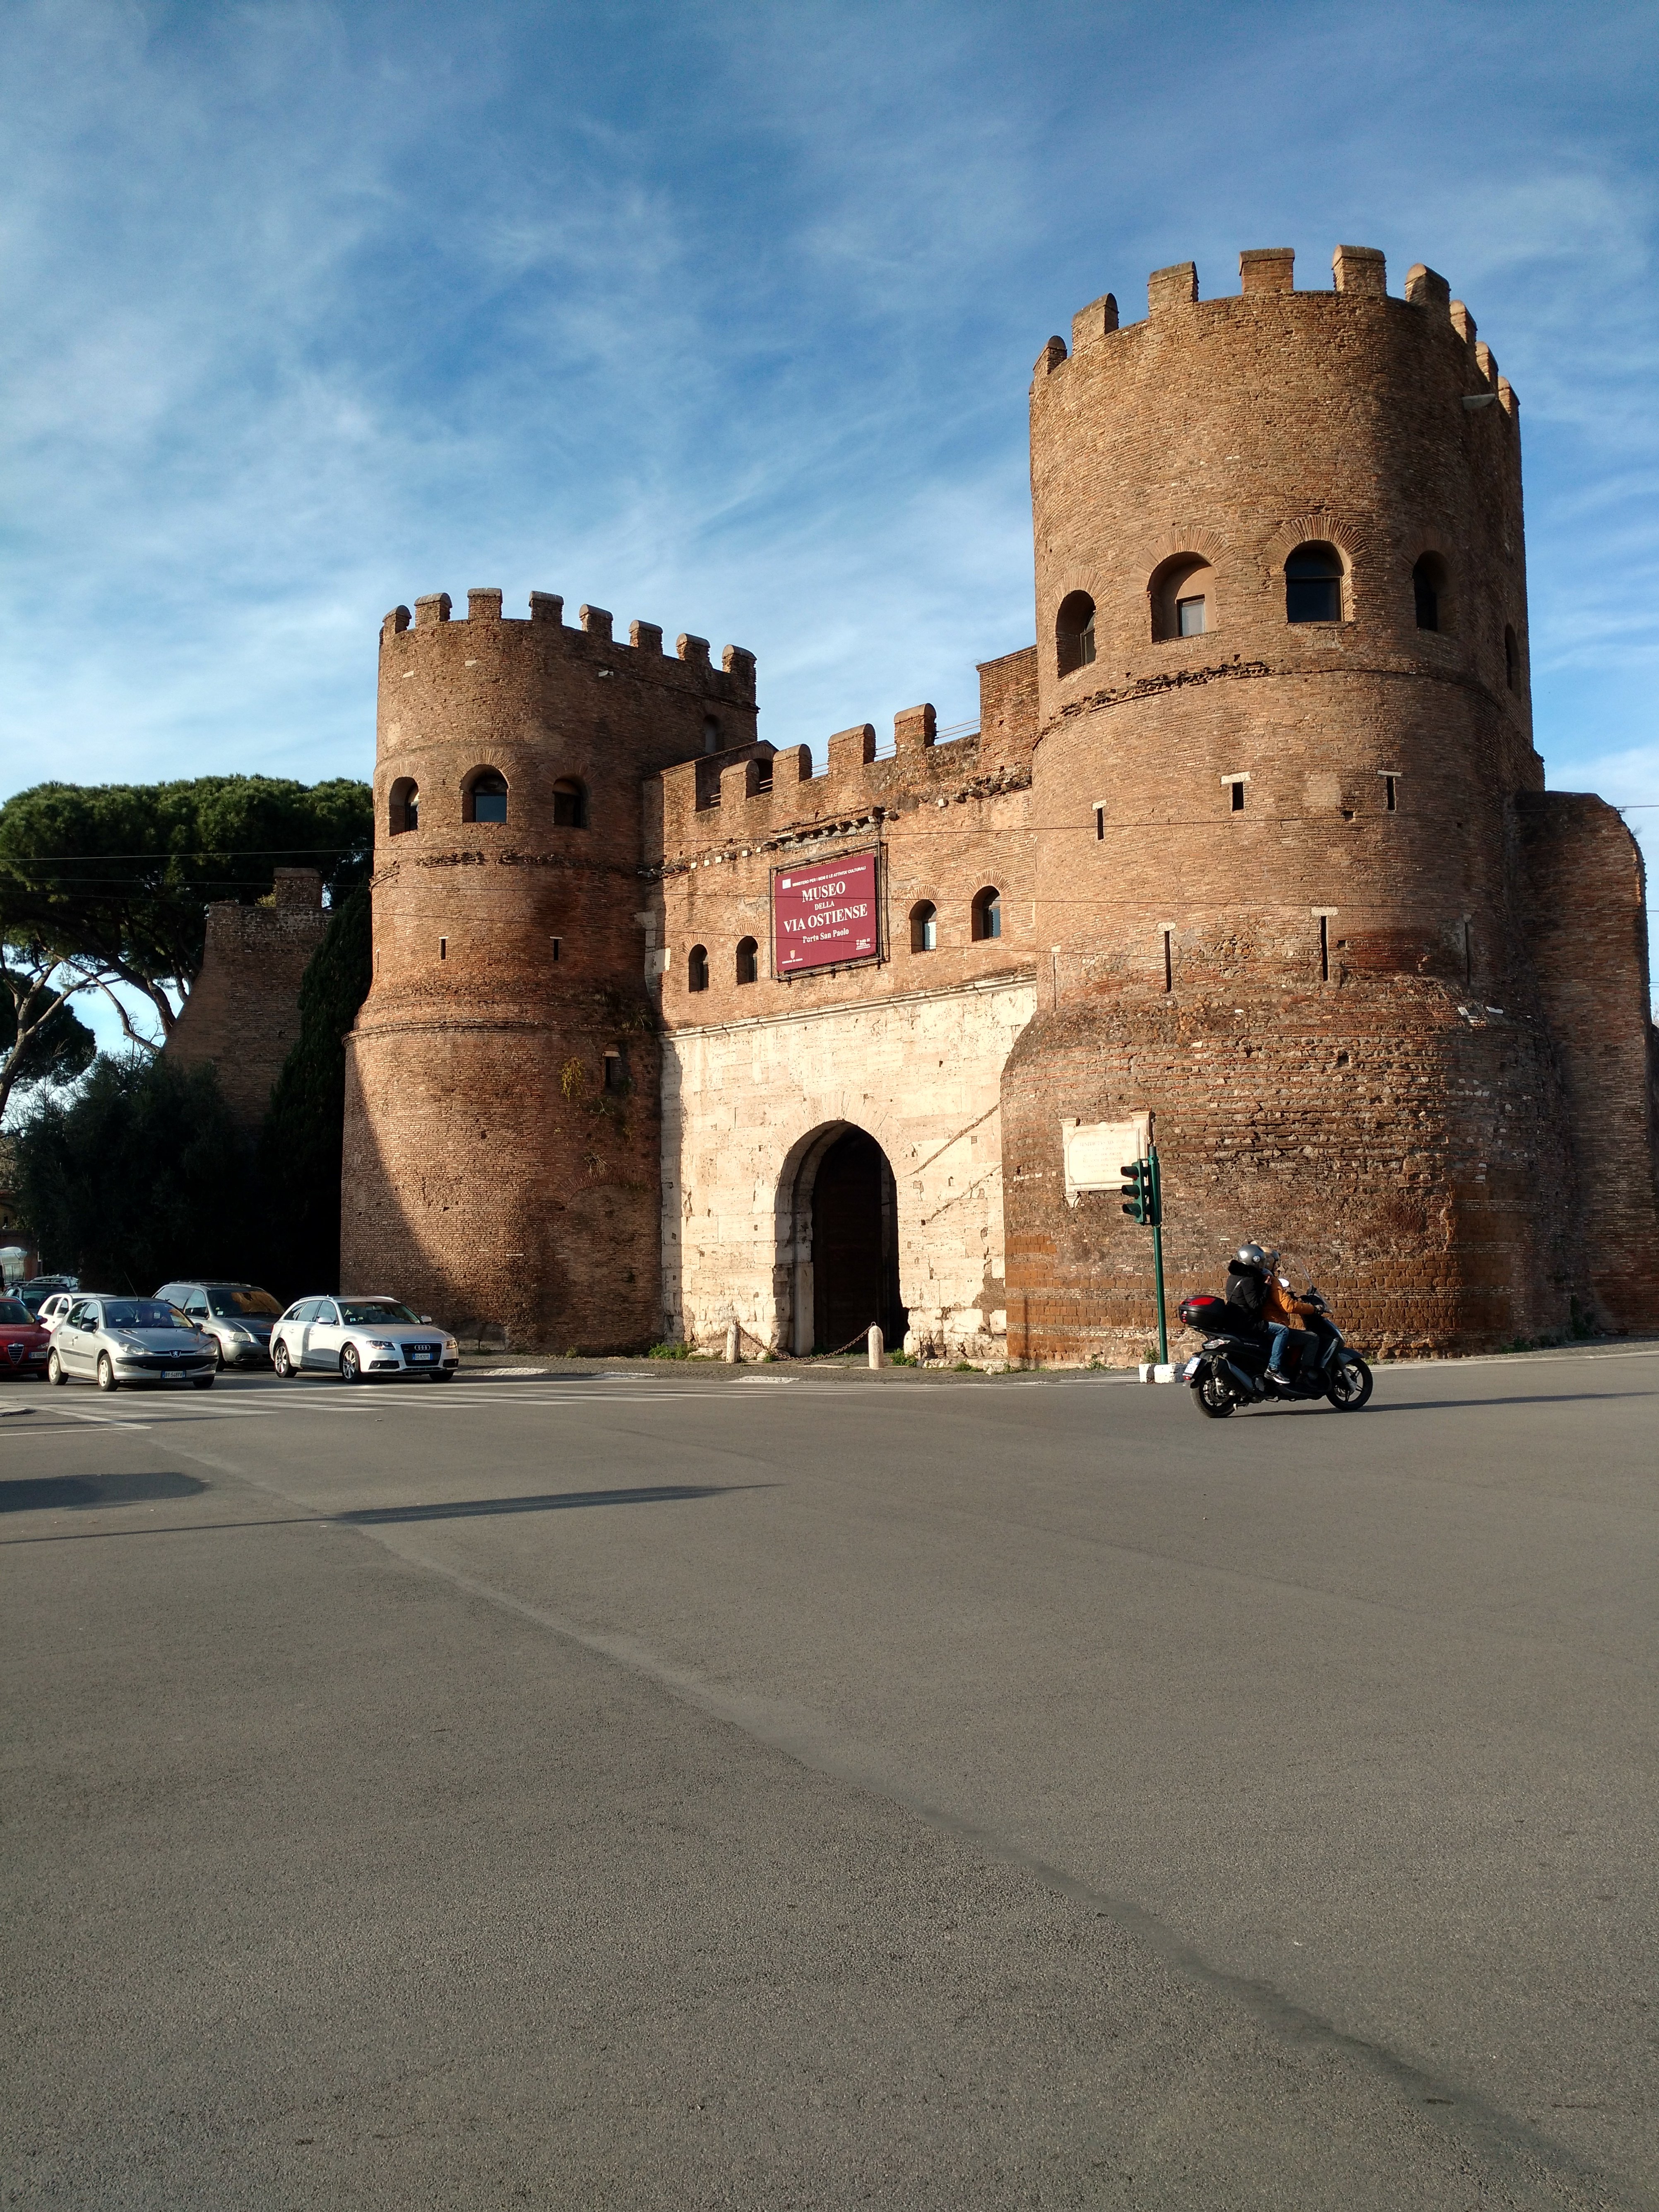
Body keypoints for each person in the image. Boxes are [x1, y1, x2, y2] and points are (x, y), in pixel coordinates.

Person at [1261, 1255, 1318, 1387]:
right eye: (1275, 1264)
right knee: (1312, 1338)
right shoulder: (1272, 1280)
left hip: (1264, 1324)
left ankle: (1290, 1367)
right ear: (1269, 1264)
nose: (1277, 1267)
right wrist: (1312, 1309)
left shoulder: (1260, 1279)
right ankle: (1302, 1376)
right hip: (1274, 1324)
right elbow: (1288, 1306)